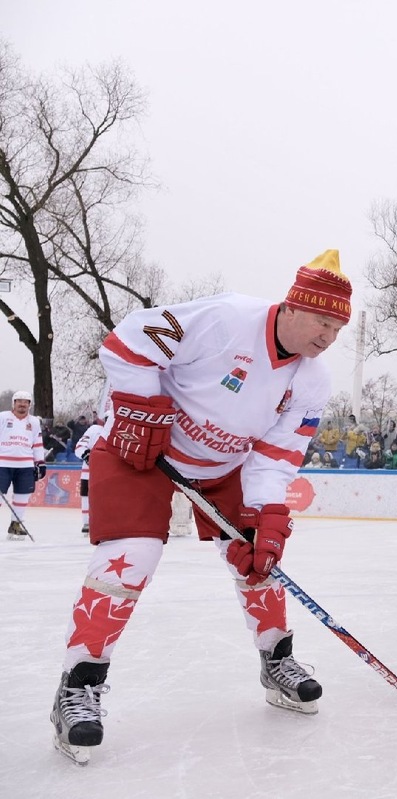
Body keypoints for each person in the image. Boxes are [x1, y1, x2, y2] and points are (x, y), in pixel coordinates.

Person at [48, 250, 352, 765]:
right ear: (293, 308)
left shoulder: (312, 380)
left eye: (338, 326)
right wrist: (141, 406)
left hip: (225, 466)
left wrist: (266, 514)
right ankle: (78, 686)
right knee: (132, 557)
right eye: (321, 319)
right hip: (145, 449)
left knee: (259, 558)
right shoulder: (228, 319)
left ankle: (277, 660)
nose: (327, 335)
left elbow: (275, 457)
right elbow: (129, 341)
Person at [1, 391, 46, 540]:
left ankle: (15, 525)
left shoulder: (33, 422)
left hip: (26, 465)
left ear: (29, 404)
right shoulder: (2, 417)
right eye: (19, 401)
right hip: (3, 463)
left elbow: (37, 444)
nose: (22, 404)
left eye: (25, 402)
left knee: (22, 495)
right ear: (13, 403)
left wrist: (40, 463)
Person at [73, 410, 108, 535]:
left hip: (109, 474)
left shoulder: (119, 431)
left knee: (107, 498)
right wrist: (86, 455)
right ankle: (87, 522)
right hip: (89, 473)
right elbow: (79, 447)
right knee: (87, 496)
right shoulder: (94, 430)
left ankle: (105, 522)